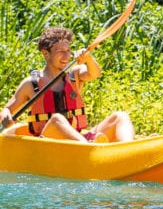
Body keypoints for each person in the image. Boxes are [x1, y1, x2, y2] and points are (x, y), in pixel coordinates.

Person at [0, 26, 135, 142]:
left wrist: (88, 59)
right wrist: (6, 117)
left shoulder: (74, 75)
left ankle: (129, 150)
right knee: (57, 119)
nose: (66, 56)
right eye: (60, 52)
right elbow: (7, 110)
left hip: (77, 137)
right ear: (46, 53)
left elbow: (95, 73)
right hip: (47, 142)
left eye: (68, 51)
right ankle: (91, 148)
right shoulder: (31, 83)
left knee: (120, 116)